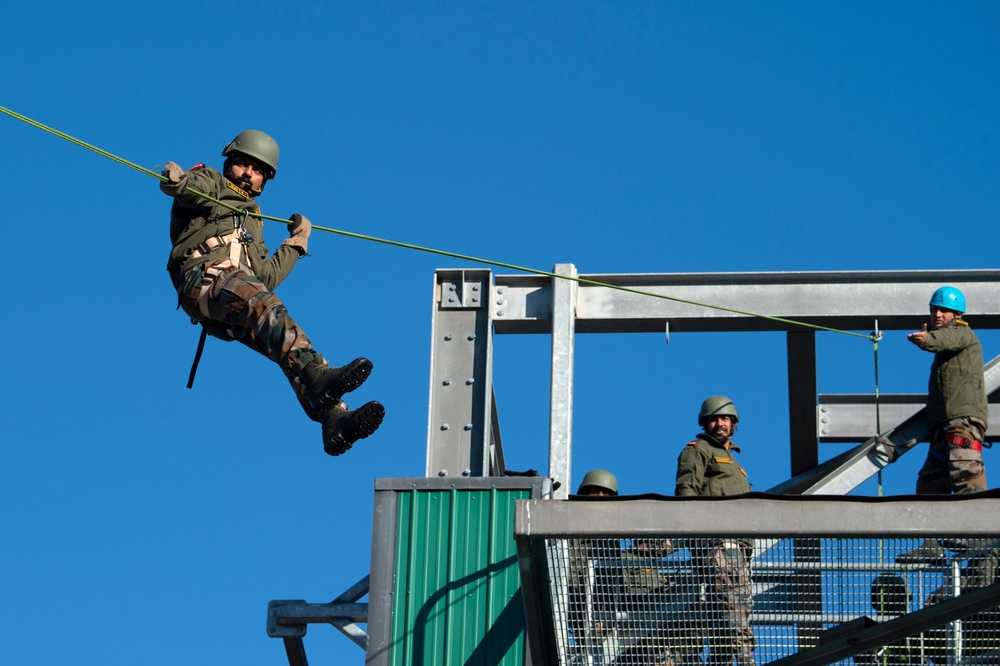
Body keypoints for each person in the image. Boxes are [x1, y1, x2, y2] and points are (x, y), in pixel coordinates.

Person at [160, 130, 384, 457]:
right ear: (229, 164)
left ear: (265, 182)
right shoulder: (213, 183)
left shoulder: (254, 223)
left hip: (231, 295)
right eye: (242, 165)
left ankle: (333, 417)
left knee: (279, 337)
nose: (248, 173)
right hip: (204, 278)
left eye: (258, 170)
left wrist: (295, 243)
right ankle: (319, 377)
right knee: (265, 305)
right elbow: (194, 190)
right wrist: (180, 182)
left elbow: (265, 275)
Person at [897, 286, 989, 564]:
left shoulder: (962, 333)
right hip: (943, 428)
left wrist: (927, 339)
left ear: (957, 313)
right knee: (929, 484)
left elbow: (944, 338)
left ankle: (982, 538)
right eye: (934, 309)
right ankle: (932, 545)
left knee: (966, 475)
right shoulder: (948, 344)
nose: (937, 314)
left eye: (943, 310)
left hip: (961, 424)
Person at [675, 396, 755, 666]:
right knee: (733, 599)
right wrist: (696, 533)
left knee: (725, 604)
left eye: (725, 419)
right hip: (716, 540)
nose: (720, 424)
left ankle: (721, 660)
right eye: (714, 419)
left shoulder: (735, 463)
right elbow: (687, 490)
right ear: (705, 423)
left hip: (736, 544)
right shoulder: (698, 449)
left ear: (734, 424)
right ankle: (744, 657)